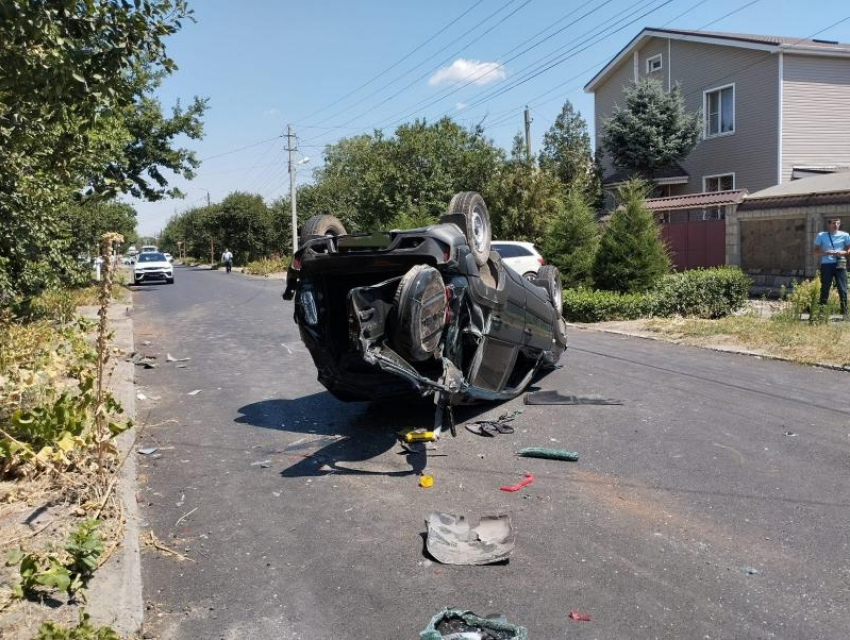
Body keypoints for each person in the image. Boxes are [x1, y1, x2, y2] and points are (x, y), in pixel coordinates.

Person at [813, 218, 850, 317]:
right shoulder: (821, 236)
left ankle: (844, 312)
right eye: (834, 223)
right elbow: (815, 251)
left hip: (840, 263)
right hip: (826, 264)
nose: (836, 225)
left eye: (838, 223)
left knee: (842, 288)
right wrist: (826, 252)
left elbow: (848, 250)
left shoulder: (845, 235)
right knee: (825, 287)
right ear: (829, 224)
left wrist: (842, 252)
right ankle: (822, 312)